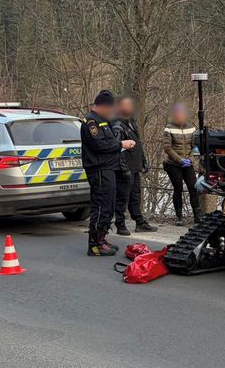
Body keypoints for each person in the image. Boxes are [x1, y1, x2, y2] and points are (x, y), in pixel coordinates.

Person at [80, 90, 136, 256]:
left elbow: (109, 142)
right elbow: (100, 146)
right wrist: (121, 145)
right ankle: (94, 245)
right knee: (101, 206)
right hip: (98, 169)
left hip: (109, 168)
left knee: (109, 206)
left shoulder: (105, 121)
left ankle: (102, 238)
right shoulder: (91, 122)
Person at [112, 96, 157, 236]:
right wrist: (123, 168)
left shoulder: (131, 122)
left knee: (135, 196)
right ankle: (120, 223)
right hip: (125, 168)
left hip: (135, 166)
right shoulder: (117, 124)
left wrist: (143, 161)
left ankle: (139, 222)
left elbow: (137, 144)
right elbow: (117, 148)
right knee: (122, 197)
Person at [162, 103, 202, 226]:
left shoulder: (191, 128)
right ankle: (179, 217)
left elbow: (195, 146)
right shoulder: (169, 128)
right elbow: (167, 148)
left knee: (193, 188)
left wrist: (190, 159)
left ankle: (197, 216)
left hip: (188, 163)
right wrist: (179, 160)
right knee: (178, 188)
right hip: (174, 164)